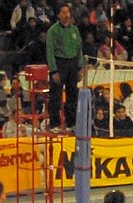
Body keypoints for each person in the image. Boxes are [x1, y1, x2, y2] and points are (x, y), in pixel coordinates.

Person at [46, 3, 83, 133]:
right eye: (63, 12)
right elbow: (50, 51)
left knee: (72, 94)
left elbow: (79, 49)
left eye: (68, 12)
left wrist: (80, 67)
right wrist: (53, 70)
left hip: (73, 63)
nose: (66, 15)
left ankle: (71, 123)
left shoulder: (74, 30)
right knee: (56, 95)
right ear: (58, 15)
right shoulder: (53, 30)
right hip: (59, 63)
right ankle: (54, 124)